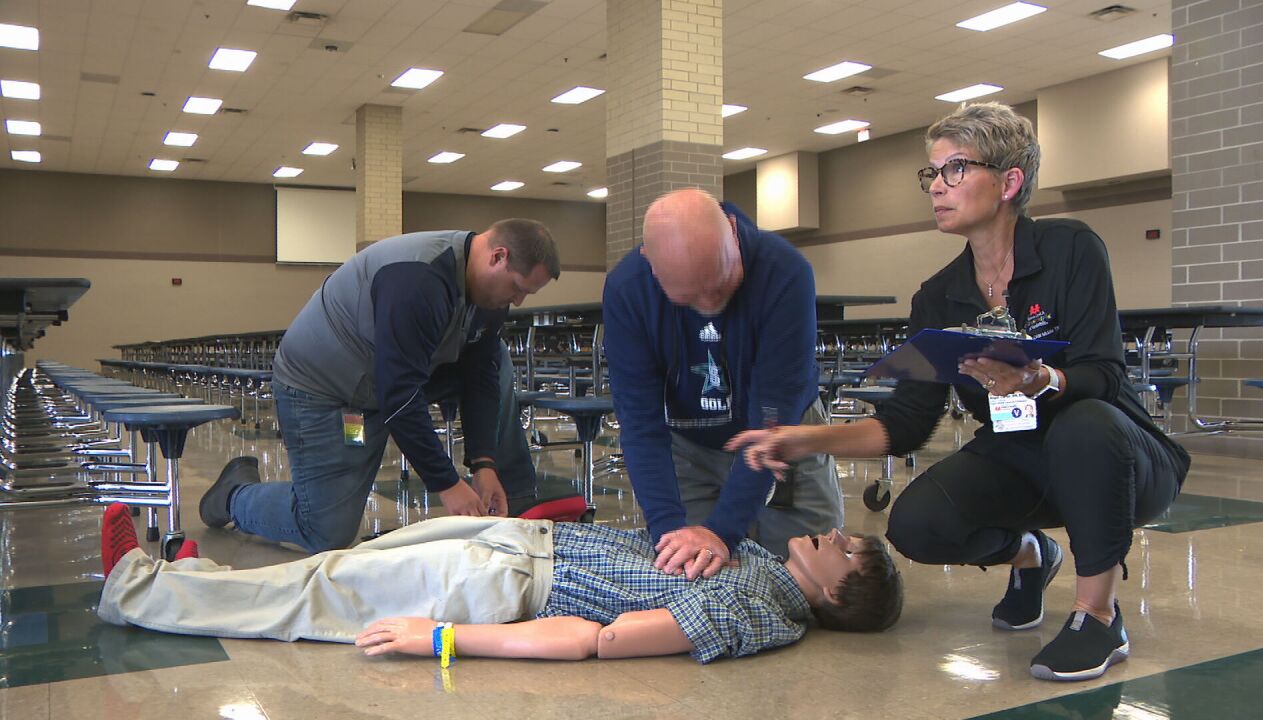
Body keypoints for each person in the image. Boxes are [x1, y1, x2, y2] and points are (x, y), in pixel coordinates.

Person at [727, 102, 1190, 682]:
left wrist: (1042, 379)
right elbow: (908, 423)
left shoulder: (1070, 249)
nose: (937, 187)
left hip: (1119, 460)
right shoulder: (938, 297)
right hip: (1022, 458)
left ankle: (1097, 613)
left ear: (1008, 182)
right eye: (933, 173)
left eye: (955, 170)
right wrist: (799, 439)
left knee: (1084, 421)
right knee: (916, 524)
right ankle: (1031, 555)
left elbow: (1103, 373)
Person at [98, 503, 903, 663]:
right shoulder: (763, 562)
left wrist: (443, 637)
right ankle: (192, 576)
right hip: (523, 541)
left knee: (325, 595)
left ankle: (135, 588)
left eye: (849, 550)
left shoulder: (763, 609)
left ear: (837, 594)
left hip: (510, 584)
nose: (837, 534)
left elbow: (604, 639)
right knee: (335, 569)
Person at [199, 219, 560, 553]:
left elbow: (481, 376)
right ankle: (233, 494)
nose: (518, 301)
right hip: (326, 393)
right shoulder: (417, 280)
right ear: (498, 257)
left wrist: (485, 463)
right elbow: (400, 395)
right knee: (326, 531)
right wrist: (446, 484)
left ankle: (517, 502)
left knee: (497, 361)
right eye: (517, 288)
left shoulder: (487, 293)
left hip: (376, 383)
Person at [602, 188, 843, 579]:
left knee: (811, 582)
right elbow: (640, 421)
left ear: (733, 231)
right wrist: (667, 531)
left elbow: (772, 418)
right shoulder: (627, 289)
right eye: (688, 297)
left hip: (783, 437)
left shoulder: (786, 271)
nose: (709, 304)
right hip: (687, 442)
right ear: (651, 264)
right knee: (693, 575)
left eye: (719, 283)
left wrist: (724, 530)